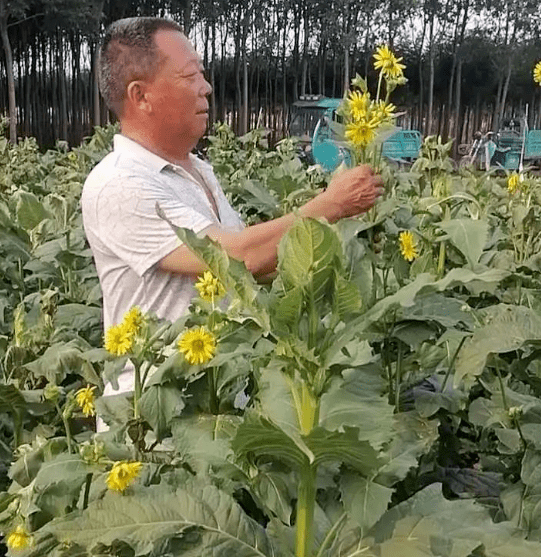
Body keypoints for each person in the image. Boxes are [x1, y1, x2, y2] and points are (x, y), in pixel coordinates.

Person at [81, 17, 383, 396]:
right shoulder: (118, 184)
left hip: (217, 398)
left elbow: (254, 270)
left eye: (202, 75)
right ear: (141, 96)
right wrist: (330, 204)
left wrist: (343, 246)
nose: (205, 87)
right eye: (189, 76)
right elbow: (238, 258)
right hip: (156, 419)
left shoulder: (198, 171)